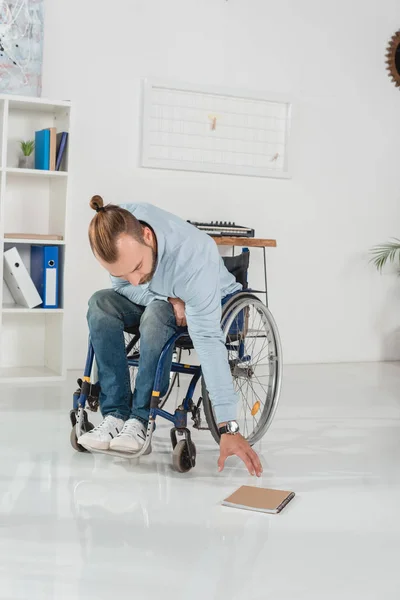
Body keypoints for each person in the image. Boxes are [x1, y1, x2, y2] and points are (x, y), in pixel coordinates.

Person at [78, 196, 263, 477]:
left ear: (148, 236)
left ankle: (140, 420)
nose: (135, 279)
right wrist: (165, 295)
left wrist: (228, 426)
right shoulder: (116, 228)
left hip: (211, 298)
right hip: (165, 296)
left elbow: (209, 342)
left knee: (155, 314)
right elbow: (126, 288)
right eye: (124, 273)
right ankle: (115, 413)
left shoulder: (192, 259)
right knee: (100, 304)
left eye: (137, 267)